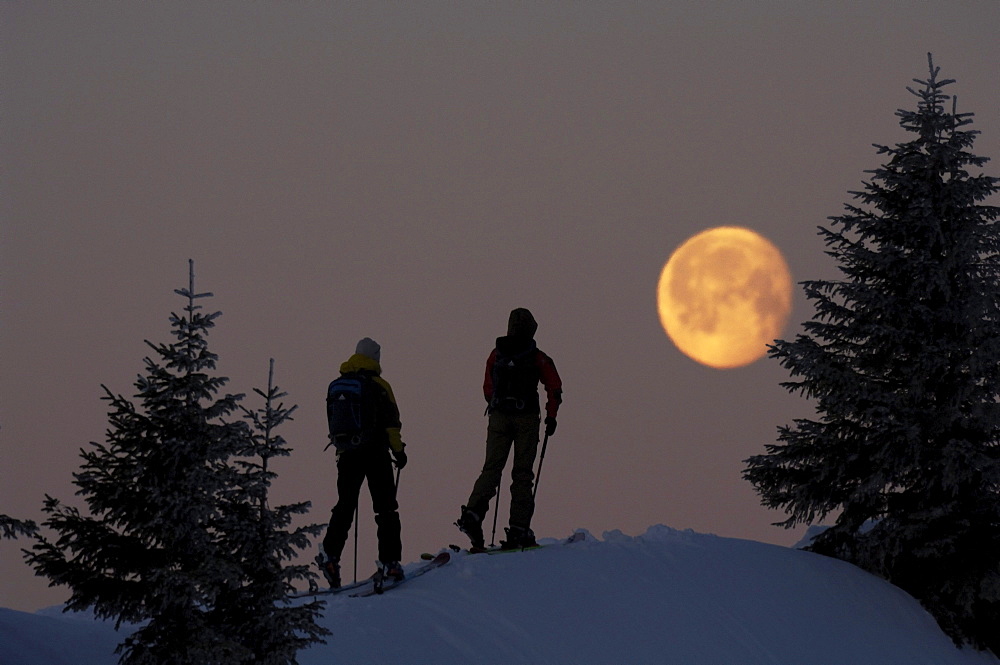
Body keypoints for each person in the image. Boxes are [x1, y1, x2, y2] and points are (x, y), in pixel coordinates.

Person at [457, 308, 562, 551]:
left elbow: (487, 387)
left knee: (492, 468)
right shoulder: (537, 356)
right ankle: (518, 529)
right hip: (526, 418)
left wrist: (496, 407)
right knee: (522, 474)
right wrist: (551, 416)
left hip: (499, 417)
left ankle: (473, 513)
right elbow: (554, 386)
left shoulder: (497, 353)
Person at [320, 337, 408, 588]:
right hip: (375, 453)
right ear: (376, 358)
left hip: (347, 453)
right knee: (385, 508)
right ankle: (390, 562)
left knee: (345, 505)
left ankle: (330, 554)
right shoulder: (380, 385)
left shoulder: (338, 385)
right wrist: (399, 452)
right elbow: (392, 423)